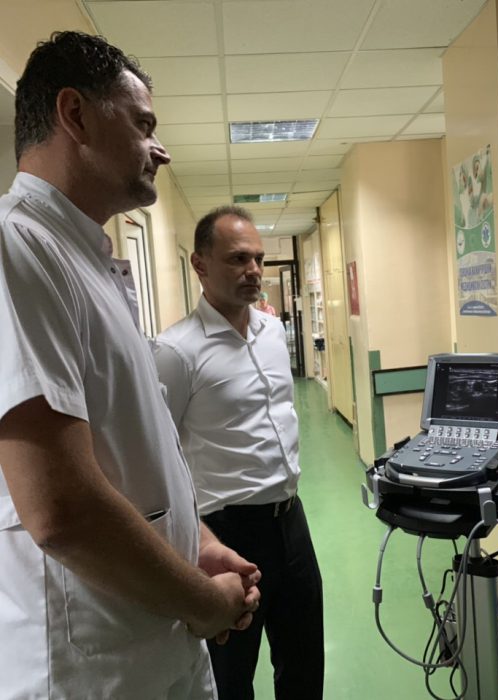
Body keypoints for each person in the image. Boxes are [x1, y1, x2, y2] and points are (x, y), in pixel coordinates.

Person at [0, 31, 261, 699]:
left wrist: (194, 541)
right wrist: (203, 601)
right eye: (143, 125)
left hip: (148, 647)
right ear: (75, 115)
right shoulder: (17, 249)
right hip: (93, 668)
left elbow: (128, 454)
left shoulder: (84, 258)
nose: (160, 149)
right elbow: (60, 508)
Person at [154, 205, 324, 700]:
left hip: (291, 521)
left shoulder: (273, 331)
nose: (253, 270)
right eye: (237, 259)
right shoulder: (176, 352)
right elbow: (160, 452)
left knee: (304, 662)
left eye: (258, 259)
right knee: (231, 676)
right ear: (200, 264)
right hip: (227, 534)